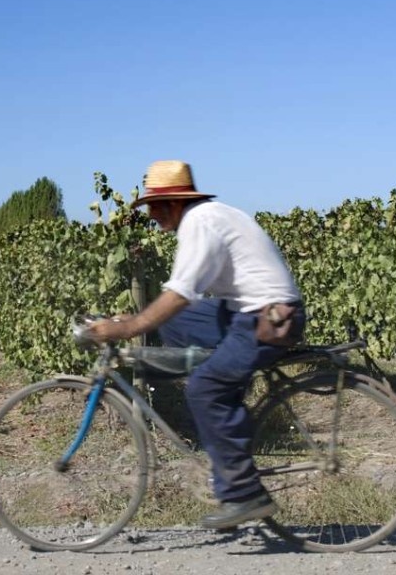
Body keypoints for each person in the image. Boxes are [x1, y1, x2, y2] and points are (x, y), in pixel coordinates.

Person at [90, 159, 305, 530]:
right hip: (246, 310)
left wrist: (127, 329)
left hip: (270, 320)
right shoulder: (208, 215)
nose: (152, 216)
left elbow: (179, 293)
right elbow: (177, 303)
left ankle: (243, 493)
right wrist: (133, 321)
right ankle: (227, 388)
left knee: (204, 388)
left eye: (155, 207)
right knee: (175, 323)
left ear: (175, 203)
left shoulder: (199, 223)